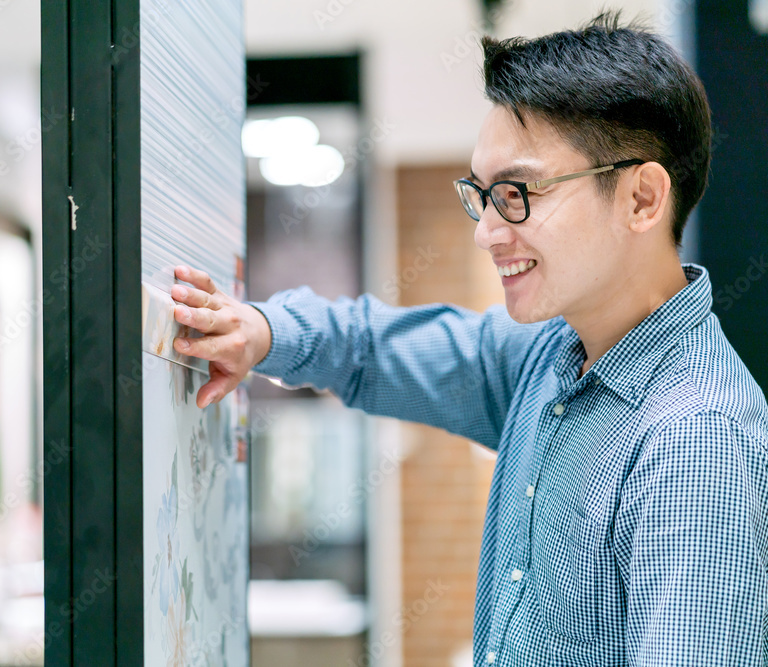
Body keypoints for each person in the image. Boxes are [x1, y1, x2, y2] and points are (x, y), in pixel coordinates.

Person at [168, 12, 768, 666]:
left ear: (641, 199)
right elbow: (376, 348)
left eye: (516, 193)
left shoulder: (697, 439)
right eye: (481, 194)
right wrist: (264, 329)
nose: (486, 230)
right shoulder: (551, 357)